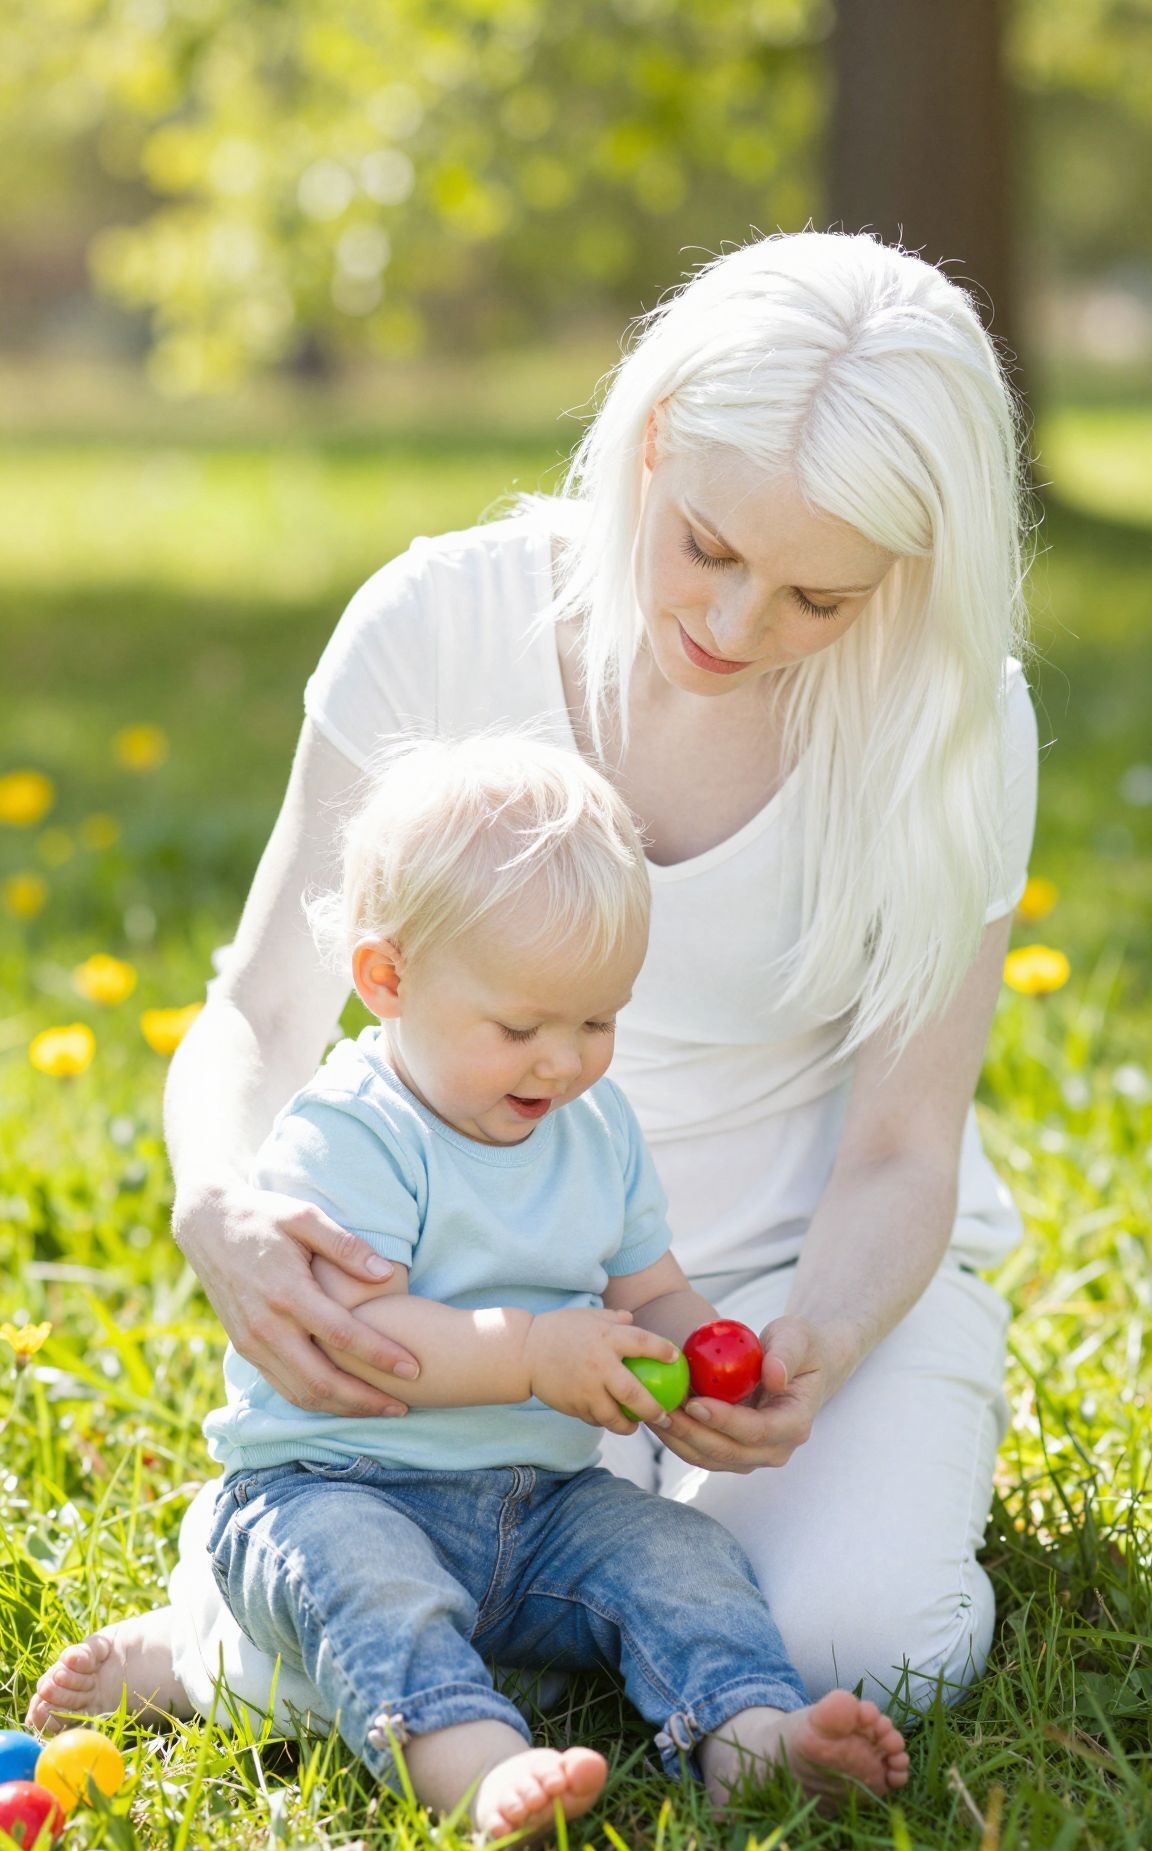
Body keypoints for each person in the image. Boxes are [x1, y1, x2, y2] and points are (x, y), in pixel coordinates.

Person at [28, 230, 1038, 1747]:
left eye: (817, 598)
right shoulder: (442, 621)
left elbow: (905, 1146)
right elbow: (257, 1010)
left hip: (768, 1285)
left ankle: (392, 1618)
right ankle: (321, 1614)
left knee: (860, 1646)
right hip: (463, 1295)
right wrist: (215, 1204)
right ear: (650, 444)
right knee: (463, 1604)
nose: (735, 625)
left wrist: (816, 1342)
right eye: (707, 544)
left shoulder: (951, 727)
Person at [159, 734, 914, 1836]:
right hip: (338, 1485)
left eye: (598, 1020)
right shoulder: (353, 1129)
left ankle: (753, 1737)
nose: (562, 1062)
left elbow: (650, 1286)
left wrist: (716, 1355)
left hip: (540, 1502)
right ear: (388, 979)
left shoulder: (592, 1125)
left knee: (682, 1554)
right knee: (371, 1586)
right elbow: (362, 1328)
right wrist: (531, 1351)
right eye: (520, 1027)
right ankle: (480, 1769)